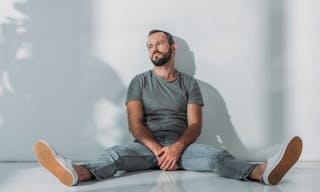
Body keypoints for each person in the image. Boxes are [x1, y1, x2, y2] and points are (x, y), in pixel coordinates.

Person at [34, 29, 303, 186]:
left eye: (159, 43)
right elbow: (135, 124)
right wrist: (159, 151)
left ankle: (262, 172)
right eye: (150, 46)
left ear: (172, 48)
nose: (154, 48)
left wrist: (176, 149)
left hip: (182, 147)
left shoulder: (190, 84)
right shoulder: (138, 82)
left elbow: (195, 125)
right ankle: (77, 172)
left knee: (216, 156)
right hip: (145, 147)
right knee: (115, 154)